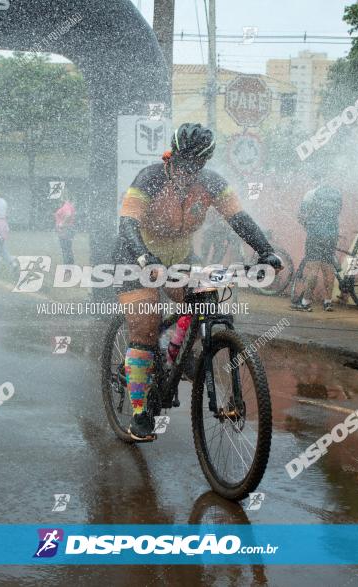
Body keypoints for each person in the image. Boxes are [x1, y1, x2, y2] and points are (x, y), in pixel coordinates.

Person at [114, 122, 283, 440]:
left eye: (194, 166)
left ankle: (184, 353)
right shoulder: (149, 178)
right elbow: (127, 223)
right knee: (145, 328)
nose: (185, 171)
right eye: (180, 163)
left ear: (203, 164)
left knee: (202, 301)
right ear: (171, 156)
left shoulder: (212, 184)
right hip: (134, 257)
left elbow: (239, 219)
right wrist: (144, 258)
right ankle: (141, 414)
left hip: (179, 258)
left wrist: (266, 251)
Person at [291, 184, 343, 312]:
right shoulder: (336, 193)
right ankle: (328, 302)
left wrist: (307, 225)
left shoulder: (311, 193)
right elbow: (337, 212)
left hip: (315, 234)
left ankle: (306, 302)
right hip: (332, 235)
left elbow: (301, 215)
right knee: (328, 268)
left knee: (313, 268)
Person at [54, 191, 76, 264]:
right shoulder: (69, 205)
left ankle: (67, 265)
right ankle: (70, 264)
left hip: (65, 230)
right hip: (68, 229)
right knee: (68, 248)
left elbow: (68, 214)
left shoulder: (66, 206)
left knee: (65, 249)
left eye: (61, 197)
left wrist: (61, 223)